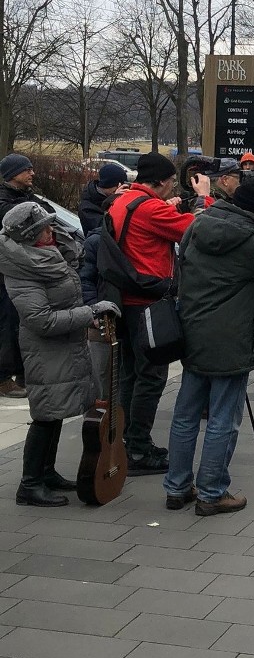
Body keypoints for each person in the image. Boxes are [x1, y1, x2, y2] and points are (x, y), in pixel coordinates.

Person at [163, 176, 254, 516]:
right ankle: (211, 492)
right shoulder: (250, 240)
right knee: (224, 417)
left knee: (186, 415)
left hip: (193, 330)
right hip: (232, 336)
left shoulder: (199, 223)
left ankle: (177, 487)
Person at [0, 202, 119, 506]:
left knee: (55, 414)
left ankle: (47, 472)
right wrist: (88, 312)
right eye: (44, 229)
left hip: (65, 345)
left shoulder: (45, 254)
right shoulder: (22, 268)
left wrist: (62, 236)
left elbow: (72, 266)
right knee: (45, 415)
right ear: (29, 236)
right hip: (45, 350)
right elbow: (42, 320)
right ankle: (29, 484)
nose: (51, 231)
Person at [106, 152, 212, 475]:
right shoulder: (150, 209)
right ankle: (138, 447)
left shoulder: (124, 201)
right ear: (164, 182)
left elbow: (150, 224)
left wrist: (173, 207)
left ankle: (125, 440)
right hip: (149, 301)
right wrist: (204, 198)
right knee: (151, 375)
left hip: (125, 299)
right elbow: (196, 232)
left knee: (130, 374)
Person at [0, 154, 55, 399]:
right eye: (27, 170)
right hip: (7, 271)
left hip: (26, 268)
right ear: (12, 174)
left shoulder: (27, 197)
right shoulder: (4, 201)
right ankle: (3, 378)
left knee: (23, 323)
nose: (32, 173)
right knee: (7, 323)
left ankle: (23, 373)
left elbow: (48, 214)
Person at [79, 163, 129, 235]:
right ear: (109, 185)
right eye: (118, 186)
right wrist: (114, 200)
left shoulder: (106, 196)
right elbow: (108, 229)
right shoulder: (87, 207)